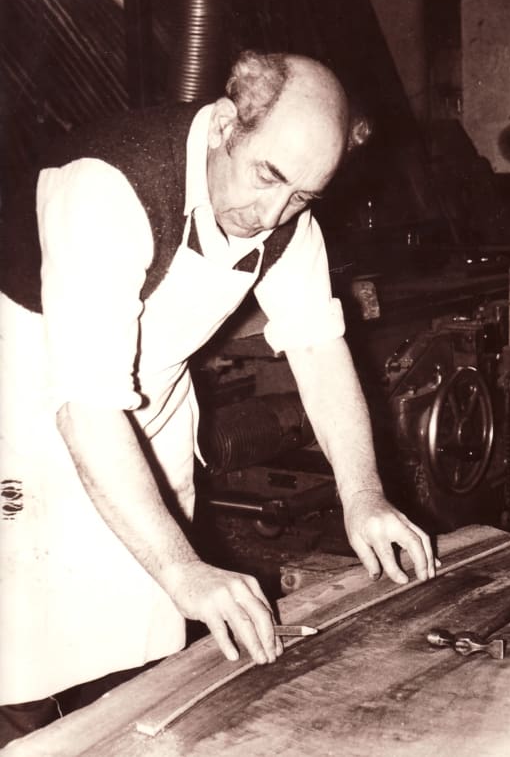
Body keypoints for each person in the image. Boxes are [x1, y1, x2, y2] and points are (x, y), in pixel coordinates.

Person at [0, 50, 436, 744]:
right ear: (226, 124)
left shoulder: (288, 209)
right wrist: (185, 567)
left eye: (303, 196)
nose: (272, 213)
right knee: (20, 651)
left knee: (137, 639)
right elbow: (84, 405)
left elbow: (320, 350)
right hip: (21, 402)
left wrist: (364, 494)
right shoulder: (107, 188)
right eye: (268, 176)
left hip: (149, 399)